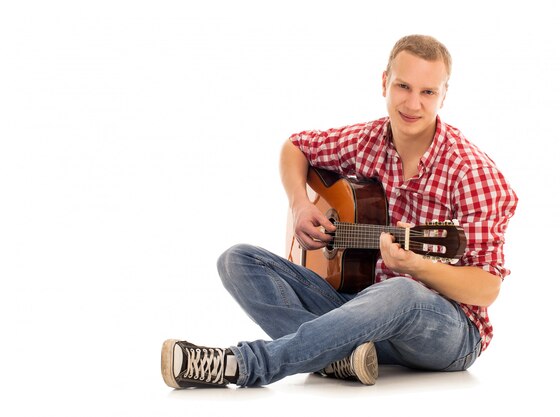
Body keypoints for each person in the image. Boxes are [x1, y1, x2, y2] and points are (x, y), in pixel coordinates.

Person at [161, 34, 518, 388]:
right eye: (403, 86)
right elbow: (296, 146)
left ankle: (242, 365)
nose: (413, 103)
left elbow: (486, 289)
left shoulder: (471, 172)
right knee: (237, 260)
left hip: (446, 331)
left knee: (401, 290)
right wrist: (300, 204)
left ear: (444, 95)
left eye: (428, 92)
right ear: (384, 83)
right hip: (360, 313)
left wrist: (416, 267)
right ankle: (340, 357)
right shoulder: (367, 140)